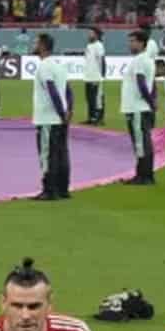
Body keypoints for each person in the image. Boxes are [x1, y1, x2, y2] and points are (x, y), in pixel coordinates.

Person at [31, 34, 72, 201]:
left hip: (48, 117)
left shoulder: (44, 67)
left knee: (47, 154)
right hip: (59, 118)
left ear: (42, 45)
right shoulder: (59, 65)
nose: (34, 45)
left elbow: (51, 89)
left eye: (36, 42)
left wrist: (61, 112)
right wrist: (69, 110)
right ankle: (63, 188)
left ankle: (49, 189)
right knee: (61, 152)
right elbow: (68, 90)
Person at [121, 29, 156, 185]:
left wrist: (149, 102)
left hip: (137, 107)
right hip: (139, 107)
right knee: (143, 141)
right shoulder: (146, 59)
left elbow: (142, 83)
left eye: (132, 41)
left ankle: (143, 175)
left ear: (141, 43)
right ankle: (144, 174)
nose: (130, 44)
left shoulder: (140, 60)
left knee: (141, 143)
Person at [82, 26, 107, 125]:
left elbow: (102, 61)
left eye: (91, 33)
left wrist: (101, 76)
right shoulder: (89, 46)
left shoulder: (99, 45)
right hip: (88, 76)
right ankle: (91, 117)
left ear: (96, 35)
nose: (89, 35)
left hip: (96, 76)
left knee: (97, 98)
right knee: (89, 98)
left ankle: (99, 118)